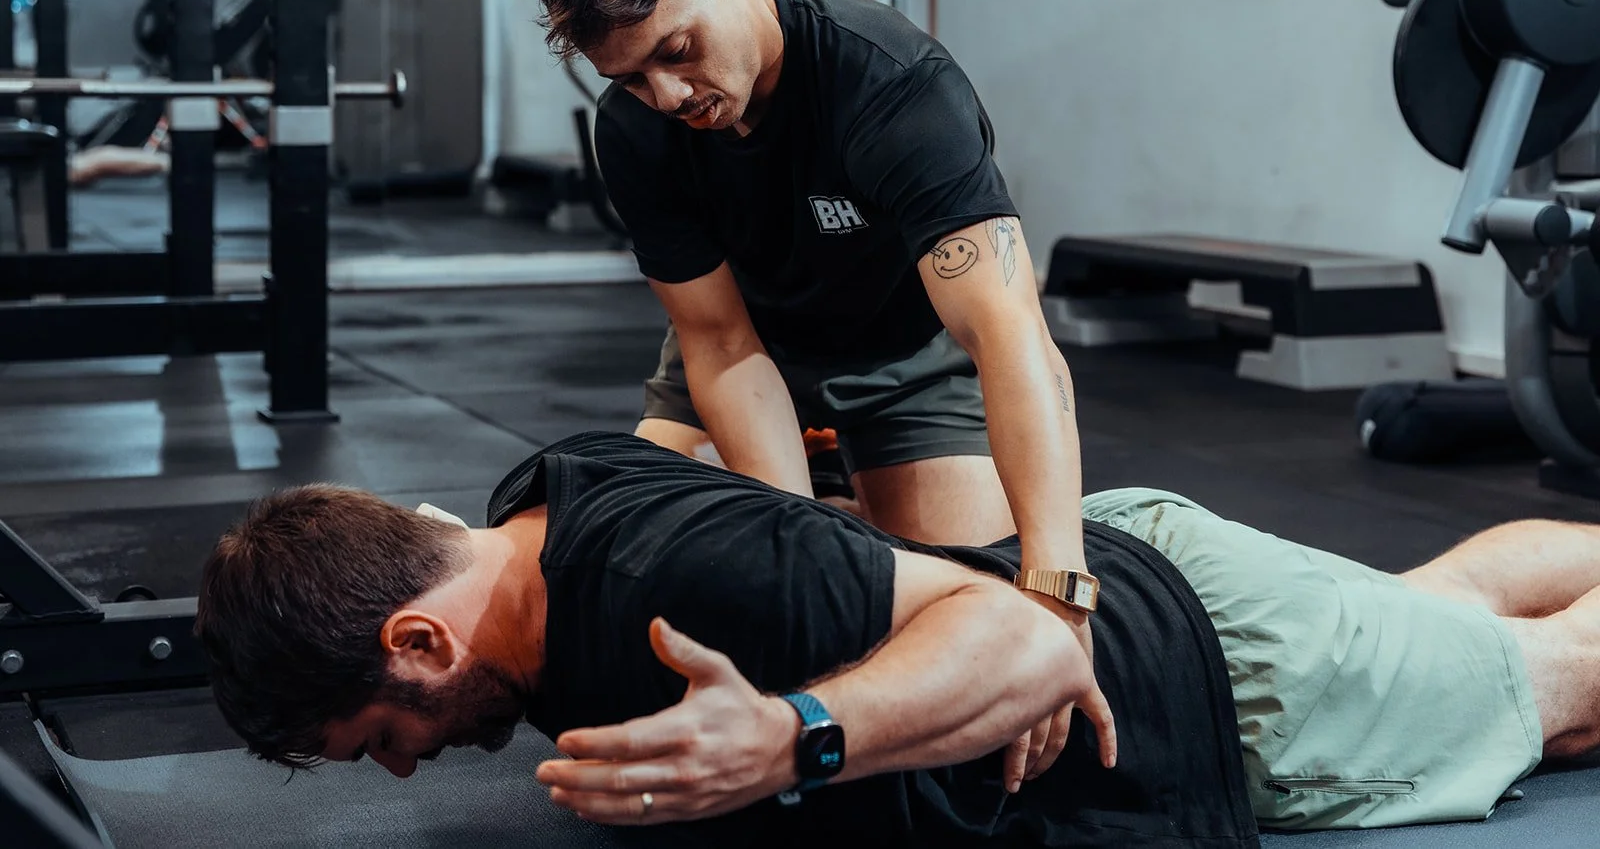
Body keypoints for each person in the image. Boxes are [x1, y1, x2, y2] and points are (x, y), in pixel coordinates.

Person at [197, 432, 1583, 847]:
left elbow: (1034, 649)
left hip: (1231, 684)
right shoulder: (533, 508)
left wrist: (796, 732)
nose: (402, 769)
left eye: (384, 735)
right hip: (1149, 556)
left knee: (1562, 687)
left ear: (422, 637)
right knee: (1444, 607)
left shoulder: (661, 580)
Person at [525, 0, 1085, 583]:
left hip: (905, 360)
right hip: (745, 341)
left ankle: (851, 500)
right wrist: (790, 542)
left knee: (963, 584)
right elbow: (719, 339)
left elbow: (1007, 331)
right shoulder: (634, 128)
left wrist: (1059, 583)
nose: (664, 95)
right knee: (642, 562)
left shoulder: (893, 85)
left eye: (675, 50)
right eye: (629, 76)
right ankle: (824, 498)